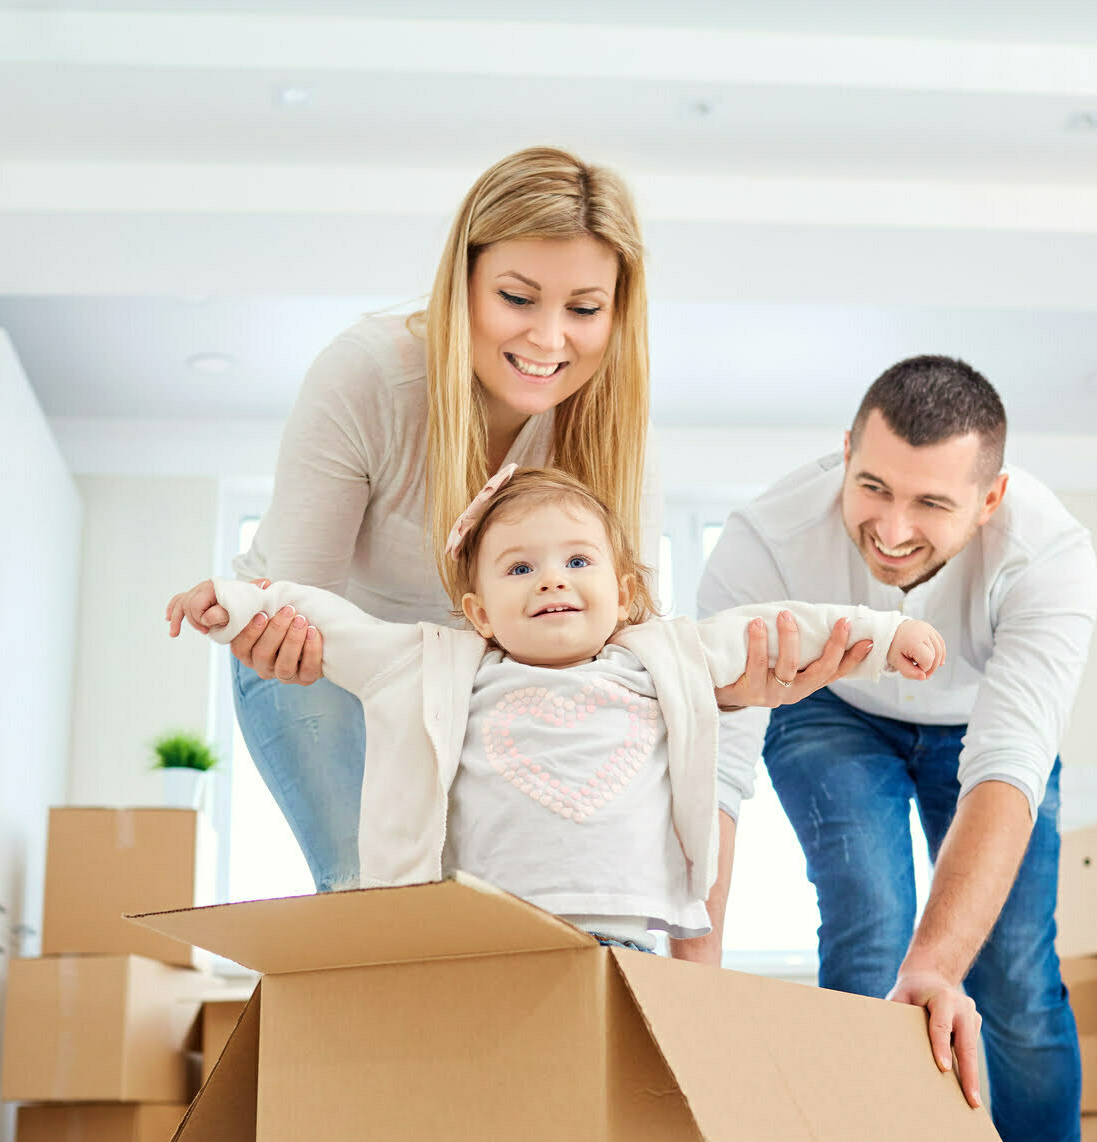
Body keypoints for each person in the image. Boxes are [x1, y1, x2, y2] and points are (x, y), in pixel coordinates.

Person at [164, 145, 873, 917]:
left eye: (582, 308)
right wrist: (269, 626)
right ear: (463, 279)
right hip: (326, 660)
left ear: (616, 311)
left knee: (497, 904)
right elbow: (304, 604)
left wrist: (726, 692)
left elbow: (625, 643)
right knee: (373, 897)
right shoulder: (368, 376)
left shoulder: (617, 434)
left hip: (480, 675)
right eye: (516, 297)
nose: (546, 339)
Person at [697, 356, 1097, 1142]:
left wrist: (941, 963)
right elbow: (711, 762)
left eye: (930, 501)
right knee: (871, 929)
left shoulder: (1048, 554)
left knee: (1007, 973)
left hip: (981, 727)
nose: (890, 526)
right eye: (870, 485)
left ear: (990, 496)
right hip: (829, 708)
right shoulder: (760, 540)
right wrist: (693, 974)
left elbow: (1006, 765)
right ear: (844, 452)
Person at [171, 466, 944, 950]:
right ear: (477, 611)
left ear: (624, 593)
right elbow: (328, 621)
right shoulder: (439, 666)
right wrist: (234, 600)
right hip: (484, 945)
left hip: (623, 941)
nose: (551, 579)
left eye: (578, 560)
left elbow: (772, 627)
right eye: (519, 566)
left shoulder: (662, 655)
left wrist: (885, 631)